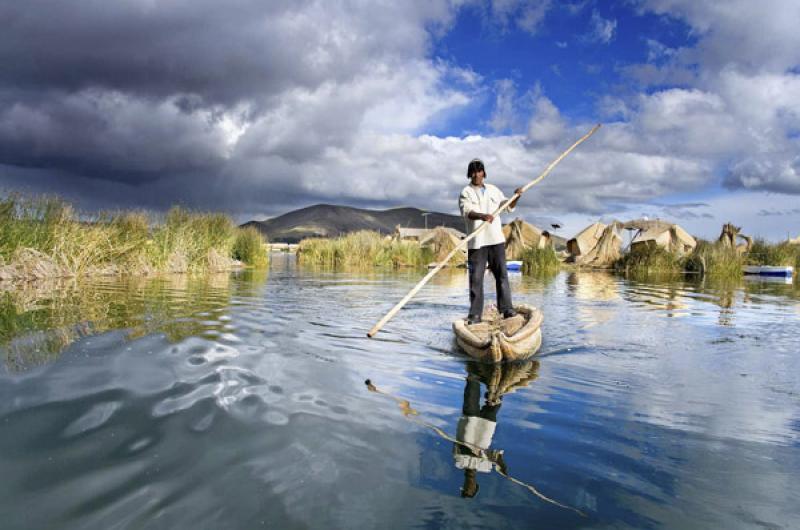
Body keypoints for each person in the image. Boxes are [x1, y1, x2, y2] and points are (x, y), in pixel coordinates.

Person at [458, 158, 522, 324]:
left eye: (479, 171)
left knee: (502, 275)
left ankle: (507, 309)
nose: (476, 174)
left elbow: (507, 206)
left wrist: (516, 196)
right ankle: (475, 315)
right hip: (477, 243)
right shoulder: (466, 192)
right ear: (469, 174)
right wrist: (482, 216)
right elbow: (467, 212)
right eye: (473, 171)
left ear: (483, 173)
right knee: (476, 279)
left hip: (496, 240)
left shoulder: (493, 190)